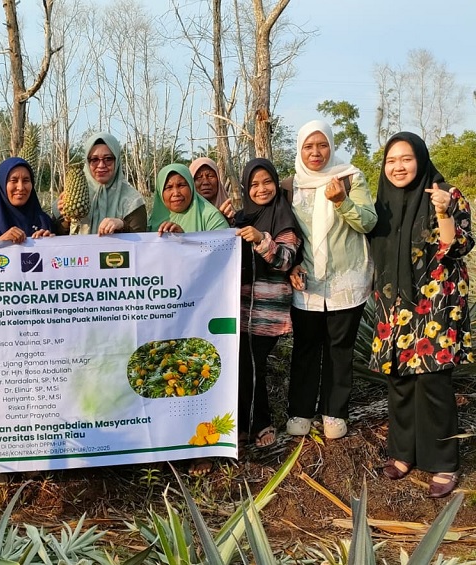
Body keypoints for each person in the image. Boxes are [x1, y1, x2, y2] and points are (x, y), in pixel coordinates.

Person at [369, 132, 473, 498]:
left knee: (432, 382)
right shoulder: (382, 201)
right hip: (394, 303)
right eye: (391, 160)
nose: (398, 167)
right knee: (399, 379)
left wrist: (444, 210)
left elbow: (457, 246)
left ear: (421, 159)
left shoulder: (445, 192)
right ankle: (402, 453)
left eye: (406, 158)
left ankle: (443, 461)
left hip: (435, 303)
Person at [286, 120, 377, 440]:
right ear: (300, 149)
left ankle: (335, 412)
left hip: (345, 280)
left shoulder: (351, 177)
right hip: (307, 280)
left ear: (332, 145)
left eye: (321, 145)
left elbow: (368, 222)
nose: (315, 153)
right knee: (306, 347)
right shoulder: (290, 185)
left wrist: (342, 201)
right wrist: (291, 268)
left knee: (340, 348)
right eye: (308, 147)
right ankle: (300, 409)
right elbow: (287, 233)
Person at [233, 158, 301, 453]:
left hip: (268, 311)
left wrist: (263, 240)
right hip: (239, 309)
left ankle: (260, 423)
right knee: (242, 366)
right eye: (254, 184)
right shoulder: (239, 218)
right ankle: (245, 425)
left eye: (267, 182)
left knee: (253, 365)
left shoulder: (284, 218)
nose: (261, 189)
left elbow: (287, 259)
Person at [56, 132, 146, 235]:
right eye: (94, 159)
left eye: (108, 159)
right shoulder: (72, 194)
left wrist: (122, 225)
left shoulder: (132, 200)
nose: (101, 165)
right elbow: (54, 242)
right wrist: (66, 219)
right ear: (87, 161)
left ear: (117, 161)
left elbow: (141, 242)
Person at [0, 157, 55, 242]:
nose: (21, 187)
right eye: (14, 180)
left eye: (26, 180)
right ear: (2, 185)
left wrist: (50, 244)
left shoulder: (45, 222)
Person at [147, 163, 228, 234]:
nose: (176, 193)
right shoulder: (152, 223)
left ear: (191, 187)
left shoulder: (212, 217)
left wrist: (185, 239)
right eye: (169, 187)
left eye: (181, 185)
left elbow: (223, 248)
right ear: (160, 192)